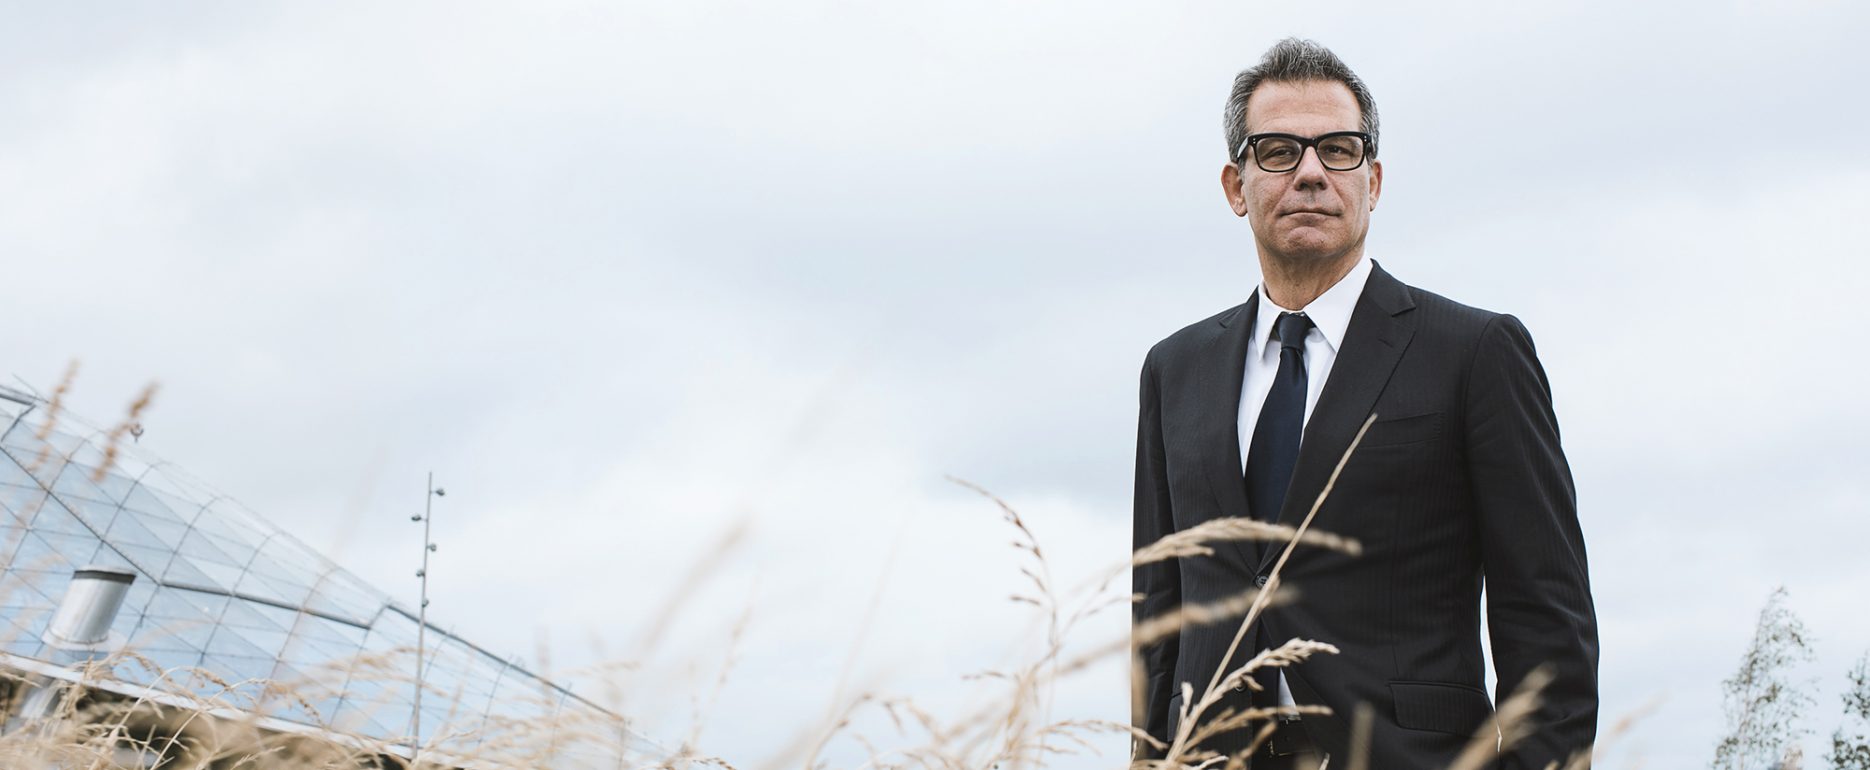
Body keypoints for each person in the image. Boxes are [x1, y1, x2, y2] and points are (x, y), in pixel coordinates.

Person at [1131, 38, 1598, 769]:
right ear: (1235, 186)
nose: (1311, 172)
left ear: (1372, 181)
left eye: (1339, 150)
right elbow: (1157, 619)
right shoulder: (1175, 370)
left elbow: (1547, 617)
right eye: (1278, 151)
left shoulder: (1474, 352)